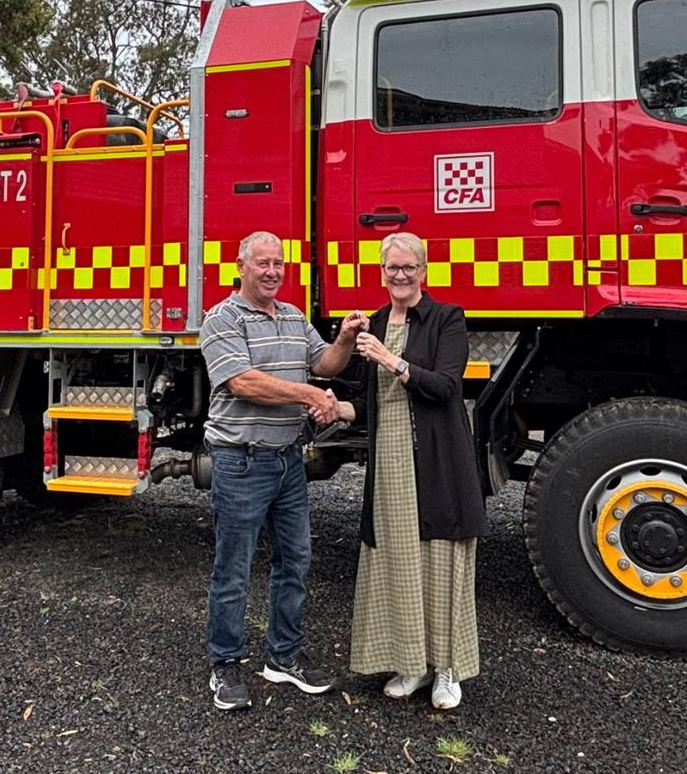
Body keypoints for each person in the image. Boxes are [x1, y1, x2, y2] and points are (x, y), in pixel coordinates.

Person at [198, 230, 368, 711]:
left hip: (288, 460)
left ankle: (283, 657)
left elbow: (326, 365)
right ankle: (225, 666)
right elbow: (241, 381)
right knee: (233, 568)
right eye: (263, 263)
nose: (272, 272)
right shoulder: (222, 318)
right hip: (241, 459)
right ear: (241, 266)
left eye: (279, 264)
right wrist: (310, 396)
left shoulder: (294, 316)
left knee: (295, 560)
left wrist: (345, 338)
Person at [346, 231, 486, 710]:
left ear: (424, 271)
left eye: (409, 268)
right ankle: (413, 665)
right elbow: (368, 406)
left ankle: (447, 670)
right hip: (391, 467)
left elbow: (446, 387)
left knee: (440, 558)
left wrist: (389, 357)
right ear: (381, 273)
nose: (400, 276)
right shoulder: (378, 320)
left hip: (437, 459)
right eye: (392, 268)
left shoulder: (447, 318)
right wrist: (330, 407)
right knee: (399, 561)